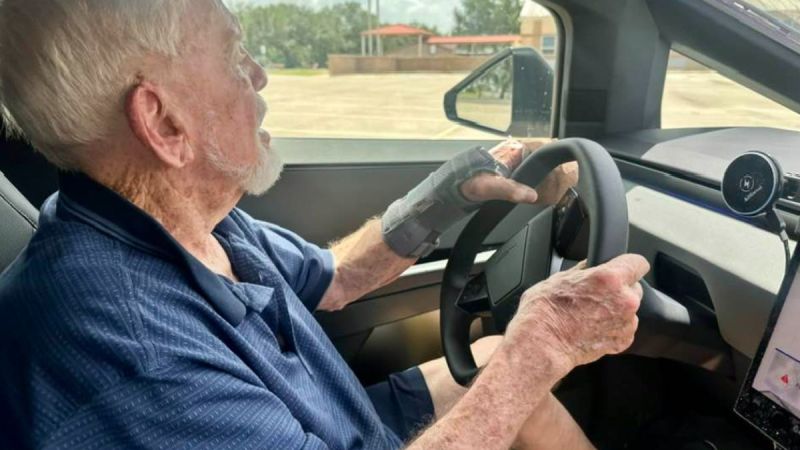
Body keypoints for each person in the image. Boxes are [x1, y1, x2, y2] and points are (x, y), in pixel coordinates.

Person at [0, 0, 649, 448]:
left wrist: (449, 193)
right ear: (165, 124)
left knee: (493, 360)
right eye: (234, 56)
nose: (259, 76)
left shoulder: (187, 222)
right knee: (516, 364)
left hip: (343, 425)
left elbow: (336, 277)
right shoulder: (132, 357)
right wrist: (545, 343)